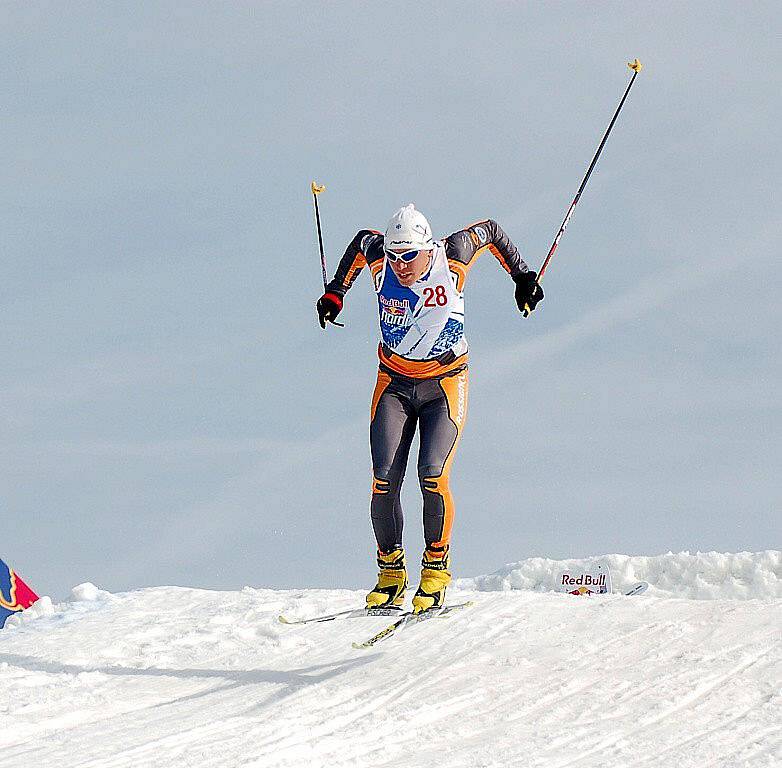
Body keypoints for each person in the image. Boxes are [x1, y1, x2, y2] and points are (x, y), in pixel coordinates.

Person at [316, 204, 543, 613]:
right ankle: (391, 573)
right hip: (395, 384)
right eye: (394, 255)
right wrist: (336, 292)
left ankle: (435, 570)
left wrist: (522, 276)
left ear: (426, 248)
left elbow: (490, 230)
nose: (400, 265)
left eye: (409, 256)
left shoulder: (452, 254)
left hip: (444, 382)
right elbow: (360, 241)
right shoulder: (379, 257)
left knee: (431, 475)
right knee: (383, 479)